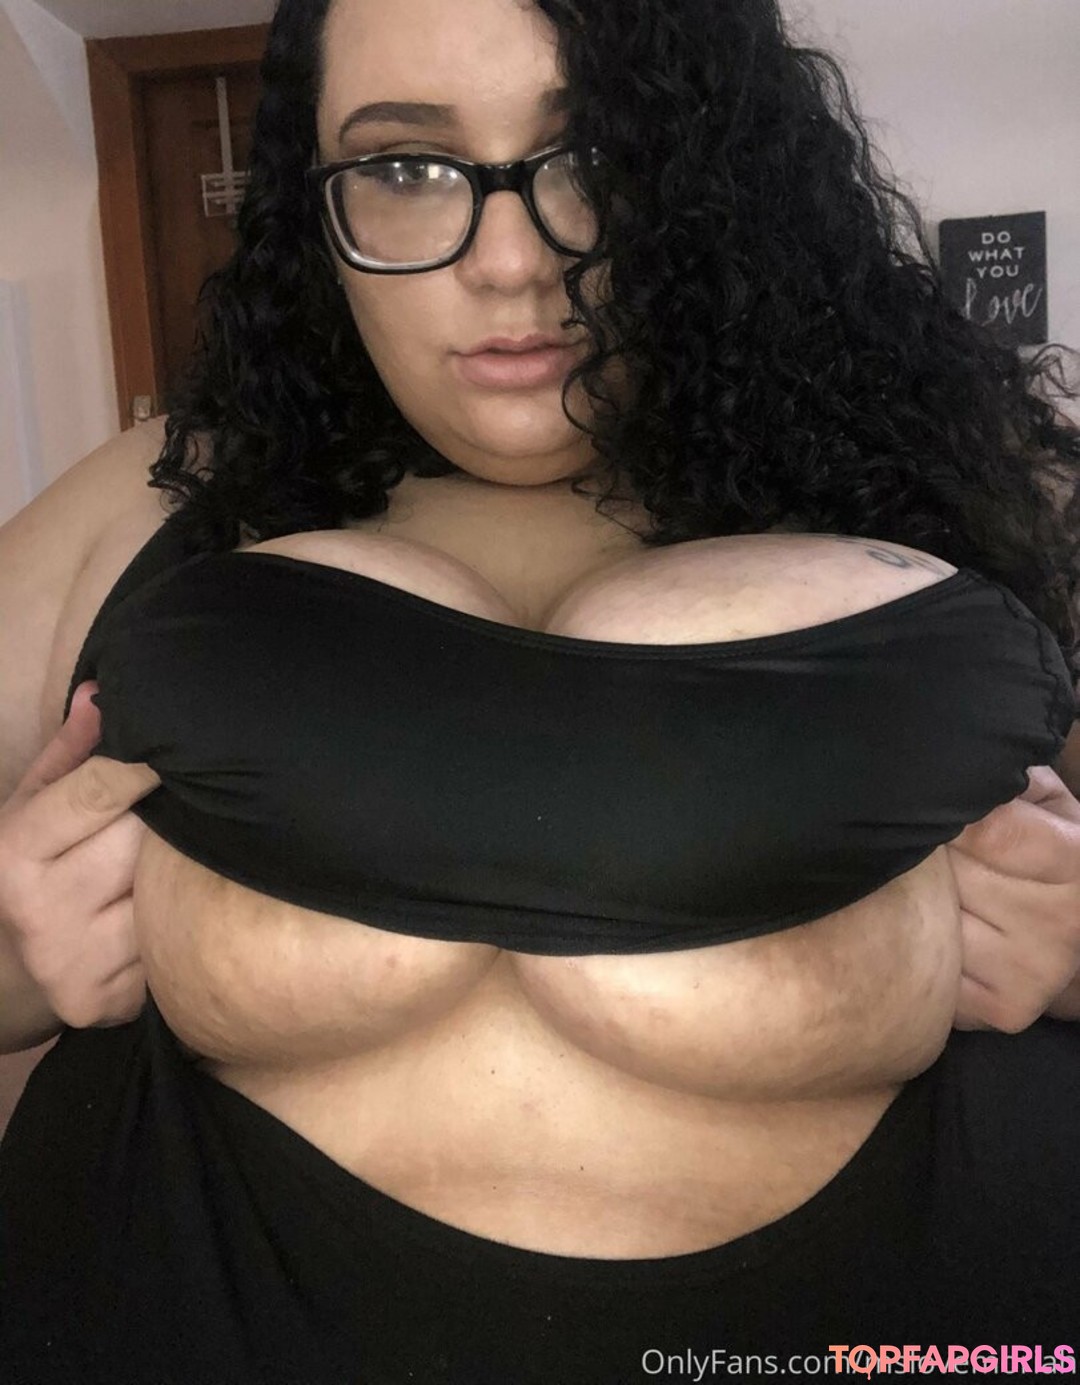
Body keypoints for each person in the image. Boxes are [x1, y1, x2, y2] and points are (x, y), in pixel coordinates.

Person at [2, 0, 1080, 1378]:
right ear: (309, 199)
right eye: (403, 167)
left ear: (716, 165)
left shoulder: (988, 483)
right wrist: (13, 944)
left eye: (598, 154)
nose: (510, 263)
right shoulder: (150, 498)